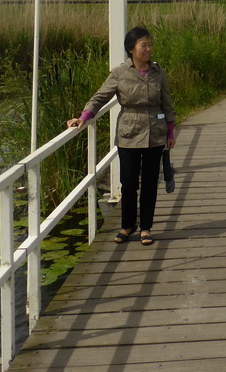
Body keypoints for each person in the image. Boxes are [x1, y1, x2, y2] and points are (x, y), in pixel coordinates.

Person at [66, 26, 176, 246]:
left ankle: (145, 228)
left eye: (150, 44)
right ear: (131, 49)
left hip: (155, 133)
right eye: (143, 45)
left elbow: (167, 103)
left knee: (150, 183)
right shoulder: (119, 73)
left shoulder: (158, 73)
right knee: (128, 183)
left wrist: (170, 132)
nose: (148, 49)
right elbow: (100, 97)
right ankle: (127, 226)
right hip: (128, 134)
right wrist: (83, 117)